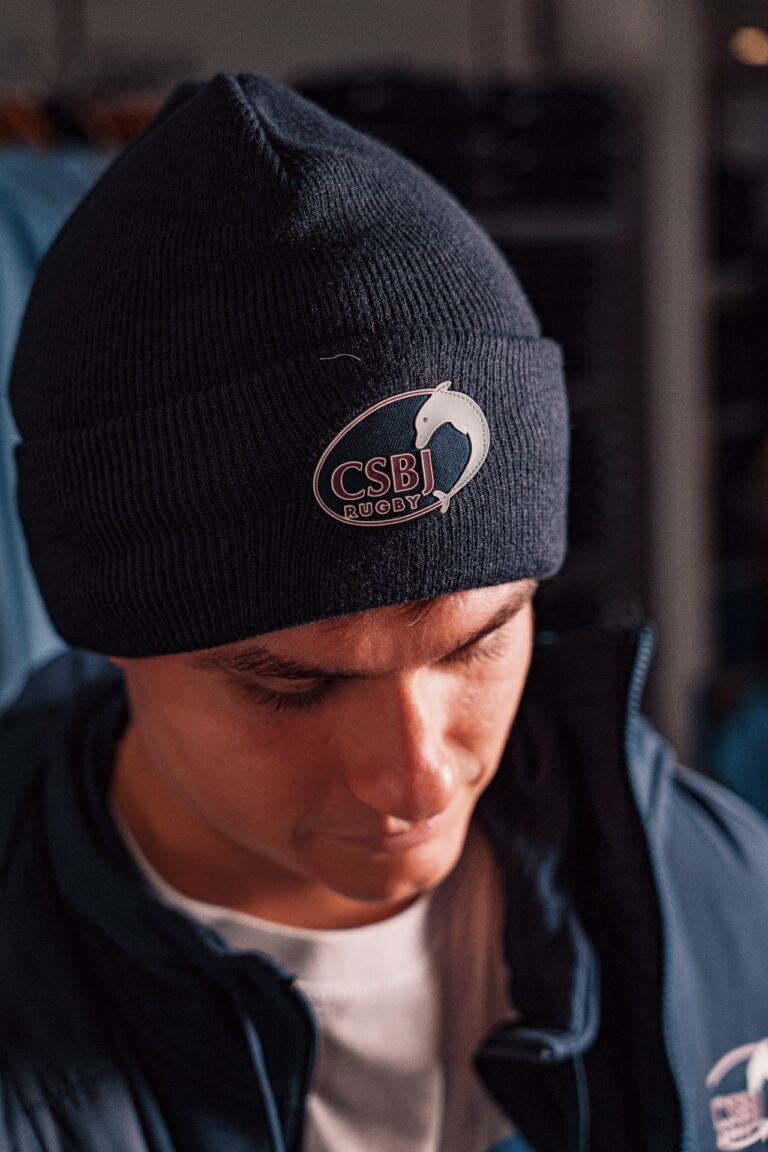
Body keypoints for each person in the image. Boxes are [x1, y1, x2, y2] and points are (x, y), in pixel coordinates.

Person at [1, 72, 768, 1152]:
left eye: (479, 642)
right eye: (293, 685)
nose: (418, 779)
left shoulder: (722, 890)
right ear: (105, 630)